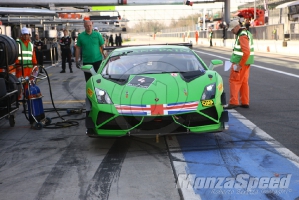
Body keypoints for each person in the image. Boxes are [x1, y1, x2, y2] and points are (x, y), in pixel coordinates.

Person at [225, 20, 254, 109]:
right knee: (243, 82)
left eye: (232, 29)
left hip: (240, 62)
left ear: (237, 27)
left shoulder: (242, 36)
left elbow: (246, 52)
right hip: (246, 62)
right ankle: (245, 102)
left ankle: (234, 102)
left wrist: (239, 65)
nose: (232, 31)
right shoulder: (247, 33)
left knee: (234, 81)